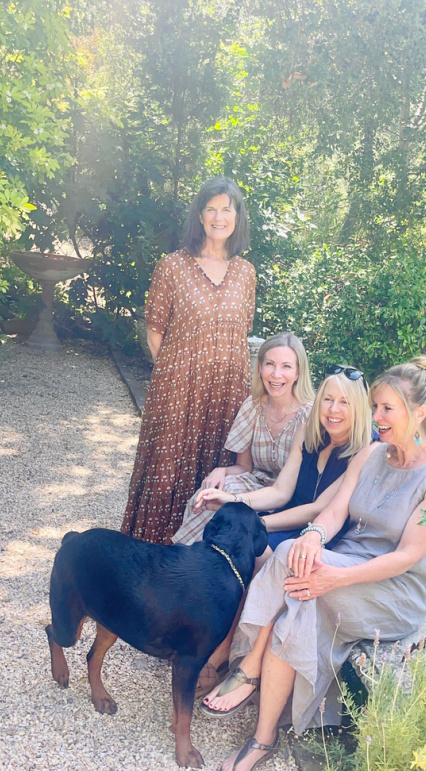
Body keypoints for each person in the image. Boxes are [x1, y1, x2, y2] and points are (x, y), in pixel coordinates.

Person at [202, 356, 426, 771]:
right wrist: (313, 536)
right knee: (292, 553)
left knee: (307, 591)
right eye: (376, 407)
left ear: (418, 414)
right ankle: (261, 721)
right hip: (344, 562)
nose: (375, 417)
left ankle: (251, 690)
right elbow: (335, 512)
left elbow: (407, 556)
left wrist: (333, 577)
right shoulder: (373, 453)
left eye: (386, 409)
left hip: (394, 588)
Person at [189, 366, 374, 698]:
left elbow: (320, 510)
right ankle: (209, 636)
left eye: (344, 402)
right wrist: (234, 500)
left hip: (320, 534)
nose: (333, 410)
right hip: (285, 516)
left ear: (360, 407)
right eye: (328, 399)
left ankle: (225, 656)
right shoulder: (310, 431)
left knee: (261, 556)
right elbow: (281, 491)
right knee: (233, 545)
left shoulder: (365, 449)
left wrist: (258, 524)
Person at [121, 177, 256, 544]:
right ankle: (152, 551)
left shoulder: (246, 273)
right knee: (168, 469)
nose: (218, 217)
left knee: (216, 469)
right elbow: (155, 332)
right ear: (199, 216)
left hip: (227, 394)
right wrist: (176, 378)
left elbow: (240, 333)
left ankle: (200, 559)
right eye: (211, 208)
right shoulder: (173, 266)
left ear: (237, 217)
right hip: (178, 389)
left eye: (226, 209)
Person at [171, 332, 315, 547]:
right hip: (254, 483)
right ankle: (183, 554)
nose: (276, 374)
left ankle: (191, 562)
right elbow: (244, 466)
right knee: (210, 495)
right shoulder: (253, 406)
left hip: (289, 497)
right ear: (259, 368)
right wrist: (223, 471)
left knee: (226, 508)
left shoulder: (310, 416)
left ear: (298, 373)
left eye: (286, 366)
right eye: (270, 364)